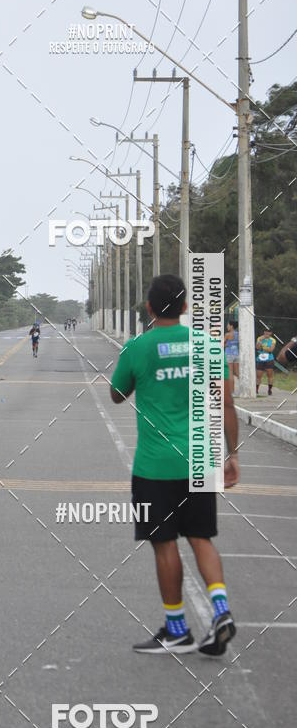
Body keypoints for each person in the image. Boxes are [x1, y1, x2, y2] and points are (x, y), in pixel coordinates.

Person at [110, 274, 240, 656]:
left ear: (149, 308)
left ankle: (177, 629)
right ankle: (221, 609)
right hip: (201, 458)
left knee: (164, 543)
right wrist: (232, 455)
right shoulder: (206, 345)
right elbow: (226, 404)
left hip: (155, 467)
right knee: (202, 538)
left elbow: (117, 395)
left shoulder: (138, 346)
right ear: (185, 308)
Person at [255, 328, 276, 396]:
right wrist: (260, 342)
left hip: (269, 359)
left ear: (271, 333)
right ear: (264, 332)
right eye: (265, 331)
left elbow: (271, 350)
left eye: (268, 332)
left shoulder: (272, 340)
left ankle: (269, 390)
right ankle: (256, 390)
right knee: (258, 375)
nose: (266, 333)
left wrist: (263, 348)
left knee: (269, 375)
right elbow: (257, 347)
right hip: (260, 359)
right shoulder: (260, 338)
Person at [224, 321, 239, 392]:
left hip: (229, 354)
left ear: (231, 326)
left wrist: (226, 345)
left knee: (230, 373)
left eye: (228, 325)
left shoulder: (227, 334)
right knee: (237, 372)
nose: (227, 326)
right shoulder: (238, 334)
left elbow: (223, 344)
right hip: (236, 354)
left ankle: (232, 391)